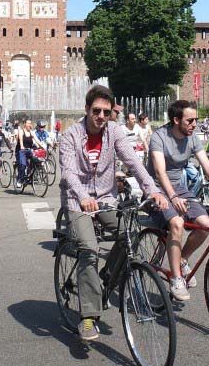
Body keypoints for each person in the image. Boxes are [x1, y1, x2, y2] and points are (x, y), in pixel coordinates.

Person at [59, 85, 168, 341]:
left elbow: (133, 162)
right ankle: (87, 318)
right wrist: (84, 197)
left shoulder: (114, 132)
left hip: (106, 198)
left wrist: (152, 190)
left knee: (129, 233)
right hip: (78, 201)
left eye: (106, 112)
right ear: (87, 110)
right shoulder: (71, 136)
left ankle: (104, 280)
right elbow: (68, 173)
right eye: (96, 110)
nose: (100, 116)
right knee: (89, 248)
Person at [149, 100, 209, 301]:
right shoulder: (159, 137)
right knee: (176, 223)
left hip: (179, 188)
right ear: (176, 120)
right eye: (190, 120)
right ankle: (176, 278)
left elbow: (208, 167)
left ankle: (182, 259)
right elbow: (159, 172)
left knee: (205, 225)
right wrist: (173, 197)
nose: (195, 124)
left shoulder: (192, 138)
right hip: (156, 189)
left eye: (196, 120)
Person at [15, 119, 44, 189]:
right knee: (23, 165)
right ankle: (20, 180)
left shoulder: (31, 132)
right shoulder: (21, 131)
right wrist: (22, 146)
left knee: (36, 160)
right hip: (21, 151)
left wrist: (41, 146)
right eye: (28, 123)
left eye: (30, 123)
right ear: (24, 124)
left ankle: (31, 175)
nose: (30, 125)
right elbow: (21, 140)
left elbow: (37, 140)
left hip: (29, 150)